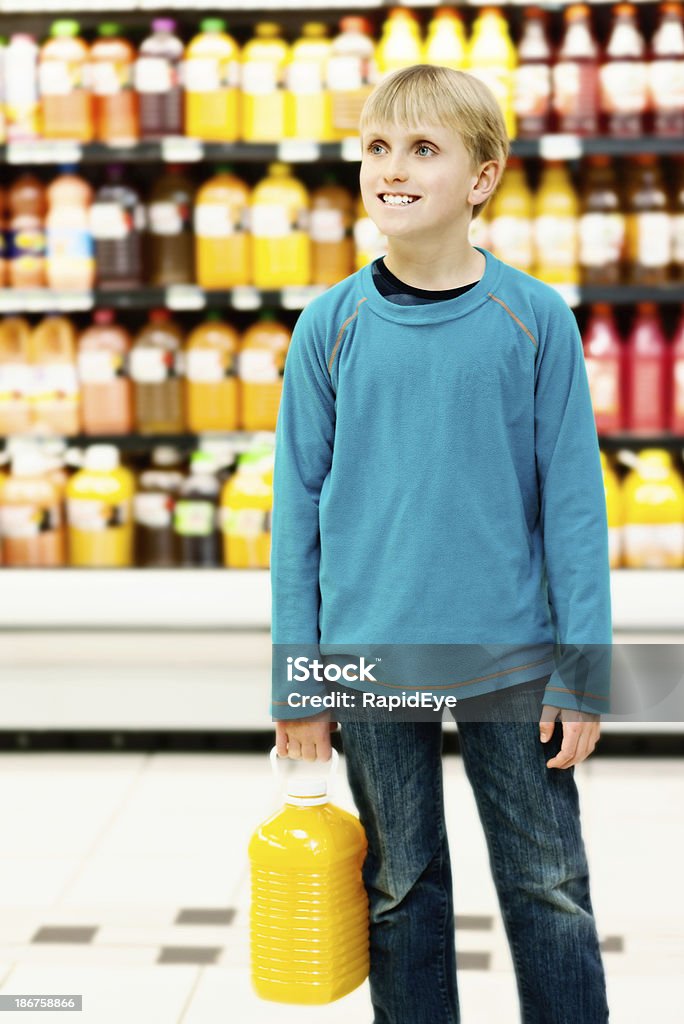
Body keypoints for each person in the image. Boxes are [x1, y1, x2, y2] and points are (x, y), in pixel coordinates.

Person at [270, 63, 611, 1024]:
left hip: (512, 651)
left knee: (548, 887)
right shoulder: (329, 326)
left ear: (483, 177)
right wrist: (299, 684)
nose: (393, 168)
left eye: (423, 148)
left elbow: (575, 508)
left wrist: (585, 669)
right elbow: (294, 513)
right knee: (400, 886)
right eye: (378, 147)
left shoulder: (535, 319)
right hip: (368, 658)